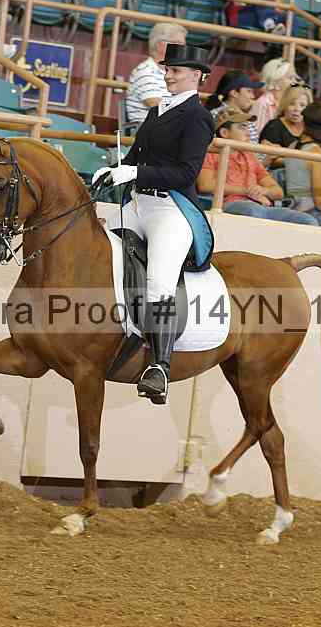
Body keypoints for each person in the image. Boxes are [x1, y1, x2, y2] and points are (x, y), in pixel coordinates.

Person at [91, 45, 216, 405]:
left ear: (196, 76)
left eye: (176, 70)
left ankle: (159, 366)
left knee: (159, 281)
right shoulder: (157, 109)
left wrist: (136, 172)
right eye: (167, 69)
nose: (168, 75)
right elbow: (135, 158)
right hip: (137, 204)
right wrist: (115, 169)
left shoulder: (198, 118)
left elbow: (186, 174)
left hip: (169, 210)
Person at [197, 108, 319, 227]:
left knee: (307, 220)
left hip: (262, 206)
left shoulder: (250, 155)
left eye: (247, 127)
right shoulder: (211, 153)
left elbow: (278, 192)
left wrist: (263, 190)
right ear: (225, 133)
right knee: (254, 211)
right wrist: (247, 191)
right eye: (242, 127)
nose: (248, 132)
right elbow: (205, 185)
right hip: (231, 204)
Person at [125, 22, 187, 127]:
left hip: (167, 128)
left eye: (183, 44)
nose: (183, 49)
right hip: (148, 130)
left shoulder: (175, 73)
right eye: (178, 43)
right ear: (160, 45)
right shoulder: (145, 71)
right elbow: (156, 105)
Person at [259, 83, 312, 167]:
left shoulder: (311, 128)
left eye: (302, 105)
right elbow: (269, 160)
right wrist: (300, 162)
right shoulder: (274, 126)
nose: (296, 109)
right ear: (285, 105)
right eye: (292, 104)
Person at [205, 71, 264, 145]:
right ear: (234, 93)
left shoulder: (248, 117)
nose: (252, 96)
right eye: (249, 91)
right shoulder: (215, 115)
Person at [249, 57, 300, 127]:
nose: (295, 82)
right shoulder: (263, 104)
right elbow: (256, 132)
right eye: (290, 78)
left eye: (295, 78)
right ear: (276, 83)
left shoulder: (291, 103)